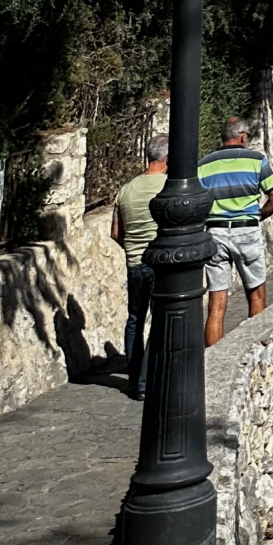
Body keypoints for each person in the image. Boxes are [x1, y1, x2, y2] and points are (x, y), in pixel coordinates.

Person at [200, 115, 273, 346]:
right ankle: (254, 349)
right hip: (246, 230)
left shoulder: (204, 165)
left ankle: (214, 356)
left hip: (215, 233)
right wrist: (258, 215)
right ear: (243, 136)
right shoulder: (256, 160)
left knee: (216, 304)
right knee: (256, 295)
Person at [109, 132, 168, 399]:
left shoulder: (126, 190)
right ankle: (146, 382)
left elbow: (115, 232)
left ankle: (133, 378)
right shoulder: (168, 186)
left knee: (135, 319)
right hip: (159, 262)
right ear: (168, 158)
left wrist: (133, 248)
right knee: (159, 320)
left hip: (134, 263)